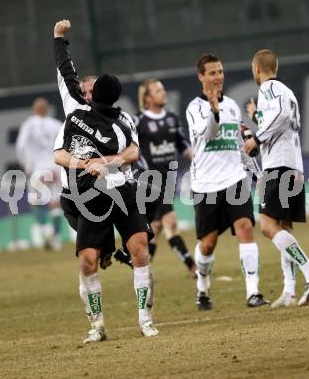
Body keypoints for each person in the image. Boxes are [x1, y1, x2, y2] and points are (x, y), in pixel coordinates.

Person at [53, 19, 158, 343]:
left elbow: (132, 153)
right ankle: (97, 325)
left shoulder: (123, 119)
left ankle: (146, 320)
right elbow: (65, 73)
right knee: (88, 260)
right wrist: (59, 39)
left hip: (118, 188)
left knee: (141, 247)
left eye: (91, 90)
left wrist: (105, 162)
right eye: (83, 90)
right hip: (82, 194)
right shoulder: (74, 114)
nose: (85, 93)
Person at [186, 53, 269, 310]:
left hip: (234, 179)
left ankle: (253, 292)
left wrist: (256, 174)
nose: (218, 76)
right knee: (208, 244)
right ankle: (203, 288)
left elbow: (240, 146)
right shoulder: (194, 108)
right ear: (201, 77)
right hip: (206, 185)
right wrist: (213, 109)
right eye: (212, 73)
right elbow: (209, 134)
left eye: (220, 71)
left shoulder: (232, 105)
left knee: (245, 227)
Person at [244, 49, 309, 307]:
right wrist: (257, 118)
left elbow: (280, 116)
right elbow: (284, 122)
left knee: (268, 226)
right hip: (293, 165)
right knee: (283, 227)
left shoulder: (268, 88)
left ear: (257, 68)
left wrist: (255, 137)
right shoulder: (287, 92)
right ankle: (290, 291)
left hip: (278, 166)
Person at [134, 78, 196, 277]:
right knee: (170, 222)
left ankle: (143, 269)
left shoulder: (172, 118)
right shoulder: (138, 121)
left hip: (168, 179)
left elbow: (183, 145)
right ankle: (192, 267)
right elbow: (130, 149)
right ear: (148, 97)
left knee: (157, 227)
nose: (163, 93)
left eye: (163, 89)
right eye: (158, 90)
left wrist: (199, 157)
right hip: (150, 180)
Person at [16, 97, 63, 250]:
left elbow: (21, 146)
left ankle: (46, 230)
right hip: (55, 167)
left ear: (34, 109)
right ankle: (56, 238)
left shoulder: (29, 125)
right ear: (47, 109)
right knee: (55, 203)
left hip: (39, 168)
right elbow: (66, 145)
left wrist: (26, 163)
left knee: (35, 201)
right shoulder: (56, 124)